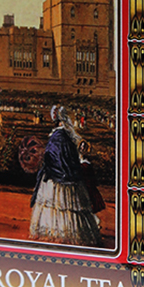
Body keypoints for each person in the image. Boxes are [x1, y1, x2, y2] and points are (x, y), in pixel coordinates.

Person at [29, 106, 102, 247]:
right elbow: (68, 159)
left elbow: (52, 158)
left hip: (54, 179)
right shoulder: (65, 138)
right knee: (69, 207)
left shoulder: (56, 138)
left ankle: (56, 234)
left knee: (57, 206)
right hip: (68, 177)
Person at [78, 140, 106, 223]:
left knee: (87, 205)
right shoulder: (75, 158)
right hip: (78, 184)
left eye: (84, 147)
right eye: (81, 146)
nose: (82, 148)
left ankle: (94, 222)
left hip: (86, 185)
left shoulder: (87, 162)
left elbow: (91, 176)